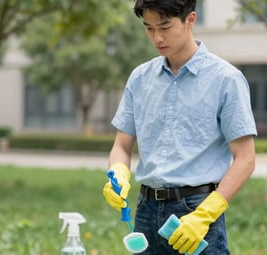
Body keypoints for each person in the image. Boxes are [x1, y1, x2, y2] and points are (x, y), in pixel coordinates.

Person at [102, 0, 257, 254]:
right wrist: (118, 172)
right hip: (145, 211)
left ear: (190, 19)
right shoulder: (140, 78)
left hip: (196, 209)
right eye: (149, 28)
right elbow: (121, 144)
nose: (157, 37)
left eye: (165, 26)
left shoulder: (225, 79)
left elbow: (246, 159)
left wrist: (205, 215)